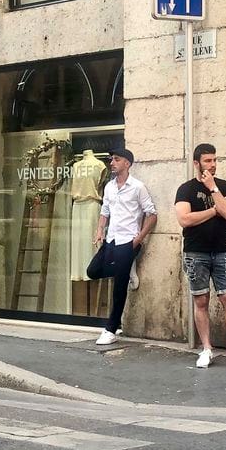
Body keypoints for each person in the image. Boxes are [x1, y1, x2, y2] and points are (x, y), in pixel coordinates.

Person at [174, 143, 226, 369]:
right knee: (201, 300)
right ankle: (206, 348)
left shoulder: (224, 187)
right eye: (207, 161)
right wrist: (213, 210)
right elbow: (185, 219)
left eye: (215, 160)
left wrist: (213, 188)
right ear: (196, 163)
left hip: (222, 250)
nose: (213, 164)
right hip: (196, 251)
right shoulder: (185, 189)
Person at [89, 148, 157, 347]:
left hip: (128, 241)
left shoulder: (138, 187)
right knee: (92, 271)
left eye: (116, 160)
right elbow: (105, 211)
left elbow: (152, 215)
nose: (112, 163)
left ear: (127, 163)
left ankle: (111, 329)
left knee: (119, 288)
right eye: (111, 159)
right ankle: (126, 271)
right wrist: (99, 230)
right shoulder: (109, 187)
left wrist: (138, 239)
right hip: (112, 239)